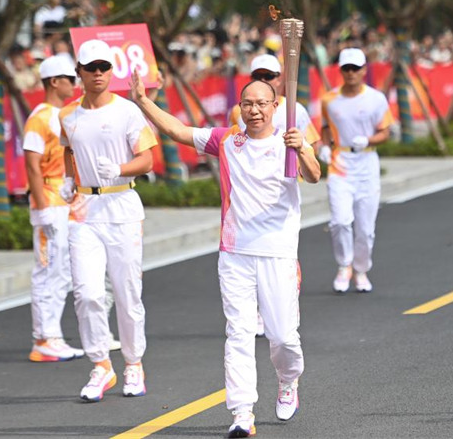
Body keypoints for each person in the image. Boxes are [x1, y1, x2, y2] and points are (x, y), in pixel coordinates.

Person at [130, 73, 321, 438]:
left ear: (275, 107)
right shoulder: (228, 141)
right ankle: (242, 413)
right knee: (239, 333)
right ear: (239, 109)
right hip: (234, 253)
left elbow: (313, 176)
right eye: (247, 104)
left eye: (261, 104)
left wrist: (304, 150)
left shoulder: (290, 143)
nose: (254, 110)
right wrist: (142, 101)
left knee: (283, 337)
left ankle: (287, 380)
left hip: (278, 253)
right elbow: (180, 132)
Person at [58, 39, 157, 402]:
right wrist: (71, 179)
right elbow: (69, 148)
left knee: (128, 293)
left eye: (103, 67)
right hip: (83, 210)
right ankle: (101, 365)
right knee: (87, 293)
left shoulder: (127, 111)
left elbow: (147, 160)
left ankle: (133, 362)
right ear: (79, 73)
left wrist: (118, 168)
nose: (98, 73)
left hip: (122, 205)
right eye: (91, 68)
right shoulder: (67, 115)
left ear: (110, 71)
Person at [228, 53, 321, 337]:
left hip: (283, 190)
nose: (264, 81)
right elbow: (240, 143)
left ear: (280, 79)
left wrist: (302, 152)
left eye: (269, 76)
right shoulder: (239, 110)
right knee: (251, 258)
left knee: (278, 254)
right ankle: (258, 310)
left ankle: (286, 296)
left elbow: (312, 151)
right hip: (253, 190)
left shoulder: (296, 110)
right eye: (258, 76)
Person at [23, 55, 85, 363]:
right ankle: (44, 338)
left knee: (61, 271)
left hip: (64, 201)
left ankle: (53, 335)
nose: (74, 84)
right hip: (47, 201)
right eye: (69, 79)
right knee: (48, 270)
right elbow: (32, 165)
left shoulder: (63, 114)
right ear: (54, 82)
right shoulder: (39, 117)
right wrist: (43, 207)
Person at [320, 48, 392, 294]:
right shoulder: (329, 99)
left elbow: (386, 132)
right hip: (340, 164)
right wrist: (326, 147)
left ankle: (361, 269)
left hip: (366, 163)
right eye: (346, 69)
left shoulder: (376, 99)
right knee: (340, 221)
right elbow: (326, 127)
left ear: (364, 70)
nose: (350, 73)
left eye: (355, 68)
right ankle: (344, 265)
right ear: (340, 70)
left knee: (366, 229)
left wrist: (369, 140)